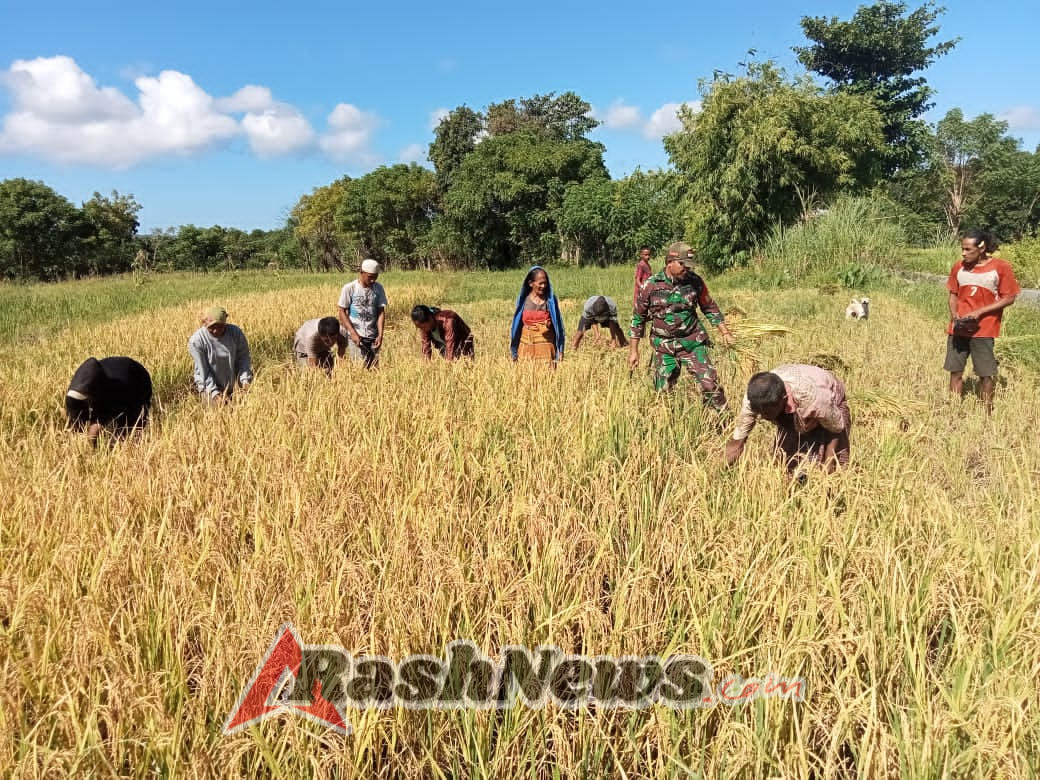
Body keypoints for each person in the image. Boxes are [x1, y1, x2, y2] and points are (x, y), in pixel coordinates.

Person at [628, 242, 735, 408]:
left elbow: (709, 306)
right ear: (670, 262)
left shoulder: (695, 282)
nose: (688, 270)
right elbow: (638, 318)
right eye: (683, 265)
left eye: (690, 266)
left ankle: (720, 424)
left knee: (711, 387)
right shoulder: (650, 285)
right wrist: (634, 351)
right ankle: (667, 426)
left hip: (692, 343)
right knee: (662, 394)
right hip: (664, 347)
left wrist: (725, 332)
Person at [724, 365, 851, 475]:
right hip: (795, 401)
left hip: (830, 401)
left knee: (835, 465)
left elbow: (836, 429)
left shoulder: (813, 399)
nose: (762, 417)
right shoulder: (754, 399)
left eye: (767, 413)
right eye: (760, 412)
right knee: (785, 462)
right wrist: (716, 474)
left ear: (784, 399)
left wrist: (828, 467)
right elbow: (736, 443)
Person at [945, 229, 1020, 412]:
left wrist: (979, 312)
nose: (963, 253)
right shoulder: (959, 267)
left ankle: (986, 411)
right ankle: (954, 409)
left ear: (981, 248)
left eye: (968, 249)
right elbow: (953, 294)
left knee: (985, 374)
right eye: (962, 249)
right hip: (959, 328)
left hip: (984, 330)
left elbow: (1009, 297)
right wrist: (955, 314)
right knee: (955, 371)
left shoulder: (1000, 267)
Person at [66, 356, 152, 445]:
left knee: (128, 431)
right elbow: (75, 425)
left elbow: (100, 420)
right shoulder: (74, 394)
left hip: (138, 379)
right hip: (110, 374)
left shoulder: (114, 392)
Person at [188, 305, 253, 404]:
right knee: (218, 414)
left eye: (220, 326)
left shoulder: (235, 333)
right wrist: (215, 393)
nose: (216, 330)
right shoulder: (197, 341)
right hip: (208, 386)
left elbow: (243, 358)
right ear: (205, 324)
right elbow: (204, 371)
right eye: (212, 327)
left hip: (233, 383)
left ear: (225, 323)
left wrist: (245, 381)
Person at [338, 259, 388, 369]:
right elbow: (342, 311)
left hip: (373, 335)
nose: (373, 280)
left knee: (374, 368)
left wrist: (380, 335)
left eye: (375, 277)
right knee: (359, 368)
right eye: (370, 277)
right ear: (362, 272)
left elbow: (381, 312)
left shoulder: (378, 288)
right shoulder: (349, 288)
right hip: (356, 336)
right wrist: (353, 333)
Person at [510, 266, 565, 363]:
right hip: (527, 345)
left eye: (545, 283)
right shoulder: (524, 300)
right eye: (540, 283)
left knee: (547, 375)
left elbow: (559, 325)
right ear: (531, 283)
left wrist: (560, 349)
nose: (543, 286)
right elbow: (516, 325)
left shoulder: (550, 301)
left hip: (546, 348)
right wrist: (514, 349)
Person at [411, 305, 475, 360]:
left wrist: (448, 365)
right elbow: (426, 347)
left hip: (462, 342)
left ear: (430, 318)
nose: (422, 330)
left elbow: (450, 344)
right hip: (443, 343)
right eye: (419, 327)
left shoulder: (448, 321)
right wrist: (426, 369)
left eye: (423, 327)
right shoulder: (424, 325)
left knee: (464, 364)